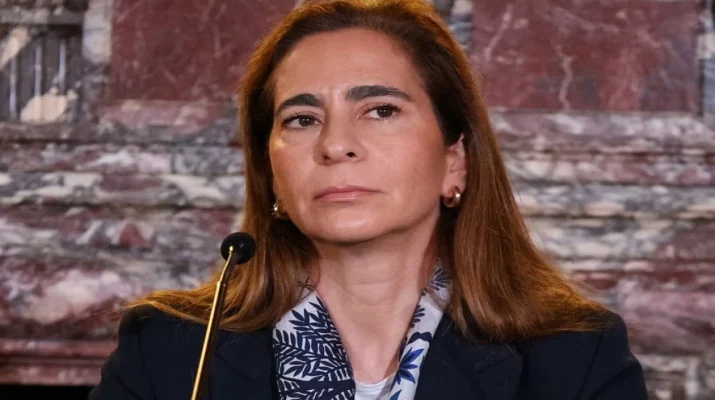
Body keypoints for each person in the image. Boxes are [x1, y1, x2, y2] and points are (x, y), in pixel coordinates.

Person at [89, 0, 649, 399]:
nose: (335, 145)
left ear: (454, 160)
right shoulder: (167, 351)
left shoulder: (574, 357)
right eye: (302, 119)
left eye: (381, 110)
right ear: (271, 171)